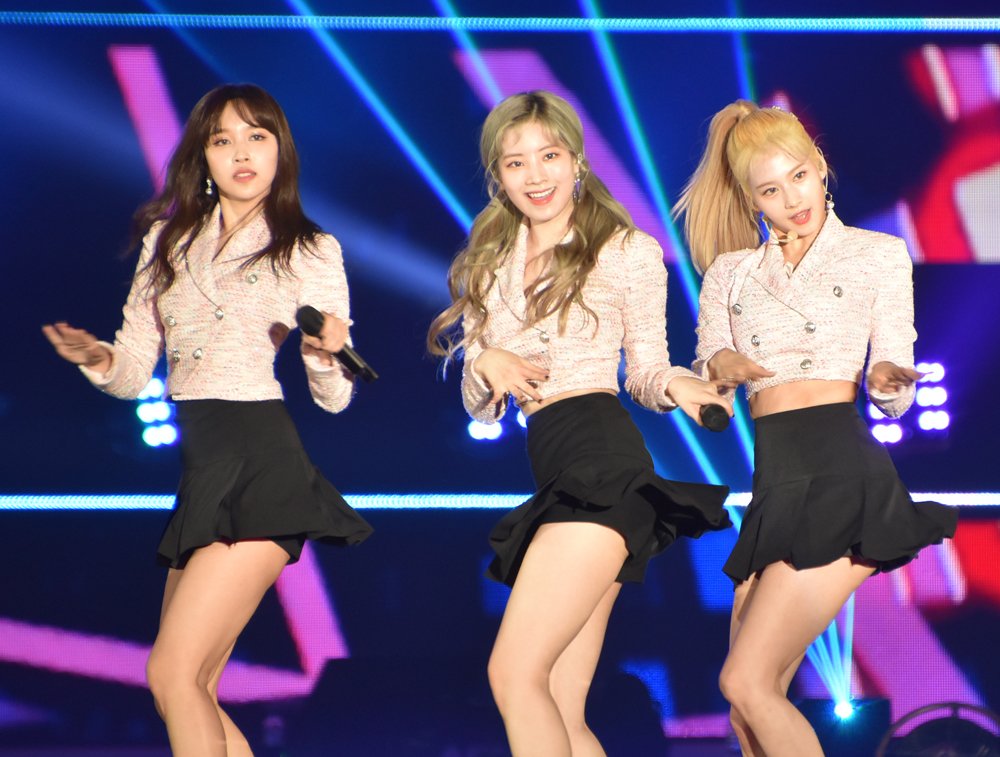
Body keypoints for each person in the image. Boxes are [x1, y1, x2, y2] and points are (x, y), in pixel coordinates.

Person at [42, 84, 373, 757]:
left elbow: (336, 397)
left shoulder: (309, 247)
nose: (241, 153)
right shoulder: (167, 241)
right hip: (202, 468)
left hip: (262, 462)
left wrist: (321, 355)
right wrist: (98, 357)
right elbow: (133, 370)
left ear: (280, 150)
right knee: (185, 688)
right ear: (203, 156)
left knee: (173, 673)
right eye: (223, 140)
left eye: (257, 137)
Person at [427, 90, 732, 757]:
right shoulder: (490, 265)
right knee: (562, 706)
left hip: (603, 464)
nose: (536, 175)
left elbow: (646, 369)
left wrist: (681, 385)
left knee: (514, 675)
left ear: (577, 162)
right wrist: (486, 362)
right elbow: (481, 405)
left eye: (550, 156)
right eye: (516, 163)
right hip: (554, 467)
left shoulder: (625, 251)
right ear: (497, 176)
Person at [675, 100, 957, 756]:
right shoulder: (730, 273)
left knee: (745, 681)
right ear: (750, 198)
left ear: (820, 165)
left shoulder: (875, 255)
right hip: (776, 481)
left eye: (798, 176)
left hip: (840, 475)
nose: (791, 199)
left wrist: (887, 380)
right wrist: (719, 366)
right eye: (770, 190)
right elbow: (709, 363)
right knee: (747, 709)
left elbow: (895, 378)